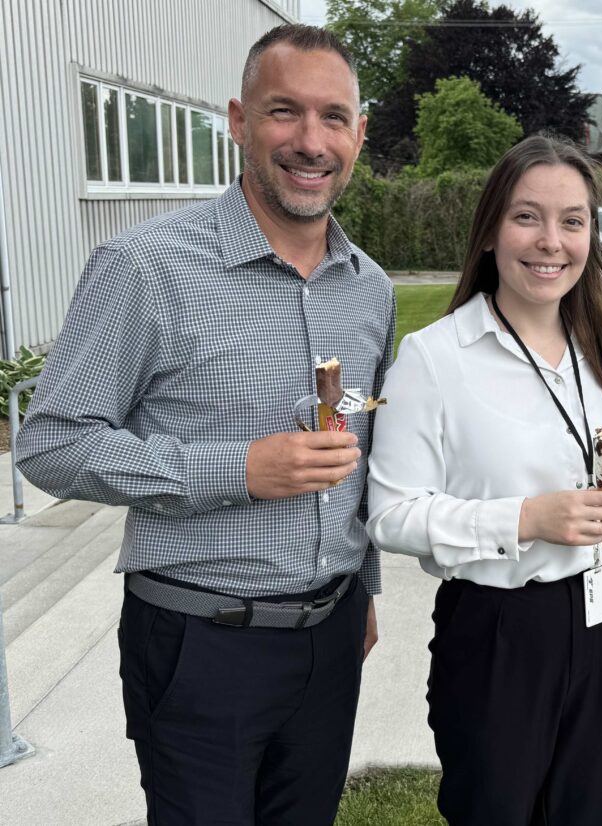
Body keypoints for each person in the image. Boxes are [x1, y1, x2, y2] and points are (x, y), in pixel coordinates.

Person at [16, 24, 395, 826]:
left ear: (361, 133)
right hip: (199, 642)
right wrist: (236, 471)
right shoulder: (145, 267)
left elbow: (360, 456)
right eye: (284, 111)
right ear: (238, 120)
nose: (310, 140)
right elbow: (51, 440)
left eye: (334, 117)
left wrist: (361, 589)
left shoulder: (371, 291)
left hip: (329, 642)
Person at [366, 134, 602, 825]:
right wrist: (525, 520)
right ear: (489, 232)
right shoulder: (435, 359)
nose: (551, 241)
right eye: (527, 216)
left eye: (573, 221)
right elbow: (390, 513)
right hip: (500, 636)